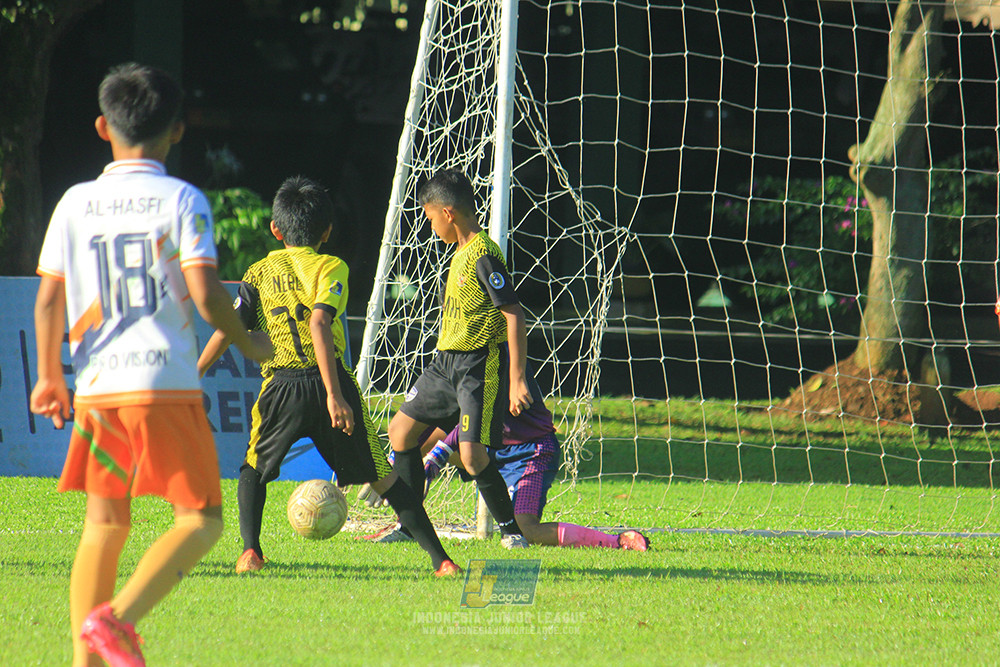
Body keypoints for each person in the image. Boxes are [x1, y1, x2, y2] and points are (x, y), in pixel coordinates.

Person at [30, 63, 275, 667]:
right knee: (202, 519)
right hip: (163, 382)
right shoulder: (182, 199)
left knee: (105, 524)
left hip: (97, 387)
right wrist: (246, 342)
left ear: (101, 127)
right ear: (178, 130)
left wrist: (48, 375)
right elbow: (206, 291)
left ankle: (87, 656)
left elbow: (48, 300)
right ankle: (115, 621)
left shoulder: (75, 202)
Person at [197, 175, 460, 578]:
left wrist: (194, 373)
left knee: (253, 469)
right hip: (328, 383)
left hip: (280, 387)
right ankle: (441, 561)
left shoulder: (259, 272)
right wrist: (334, 396)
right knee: (384, 477)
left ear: (275, 229)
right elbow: (320, 322)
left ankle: (250, 551)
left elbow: (229, 328)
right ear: (327, 231)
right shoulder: (331, 265)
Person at [387, 169, 532, 549]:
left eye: (431, 217)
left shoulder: (483, 253)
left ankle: (511, 531)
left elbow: (514, 313)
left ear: (448, 213)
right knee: (400, 432)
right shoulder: (460, 252)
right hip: (444, 364)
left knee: (471, 456)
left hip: (477, 367)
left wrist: (517, 379)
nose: (430, 226)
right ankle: (409, 523)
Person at [363, 374, 650, 551]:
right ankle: (408, 526)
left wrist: (435, 458)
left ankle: (616, 541)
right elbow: (441, 423)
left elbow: (470, 421)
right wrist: (394, 464)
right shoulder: (463, 357)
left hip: (528, 451)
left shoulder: (498, 363)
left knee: (526, 529)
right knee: (413, 444)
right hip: (486, 447)